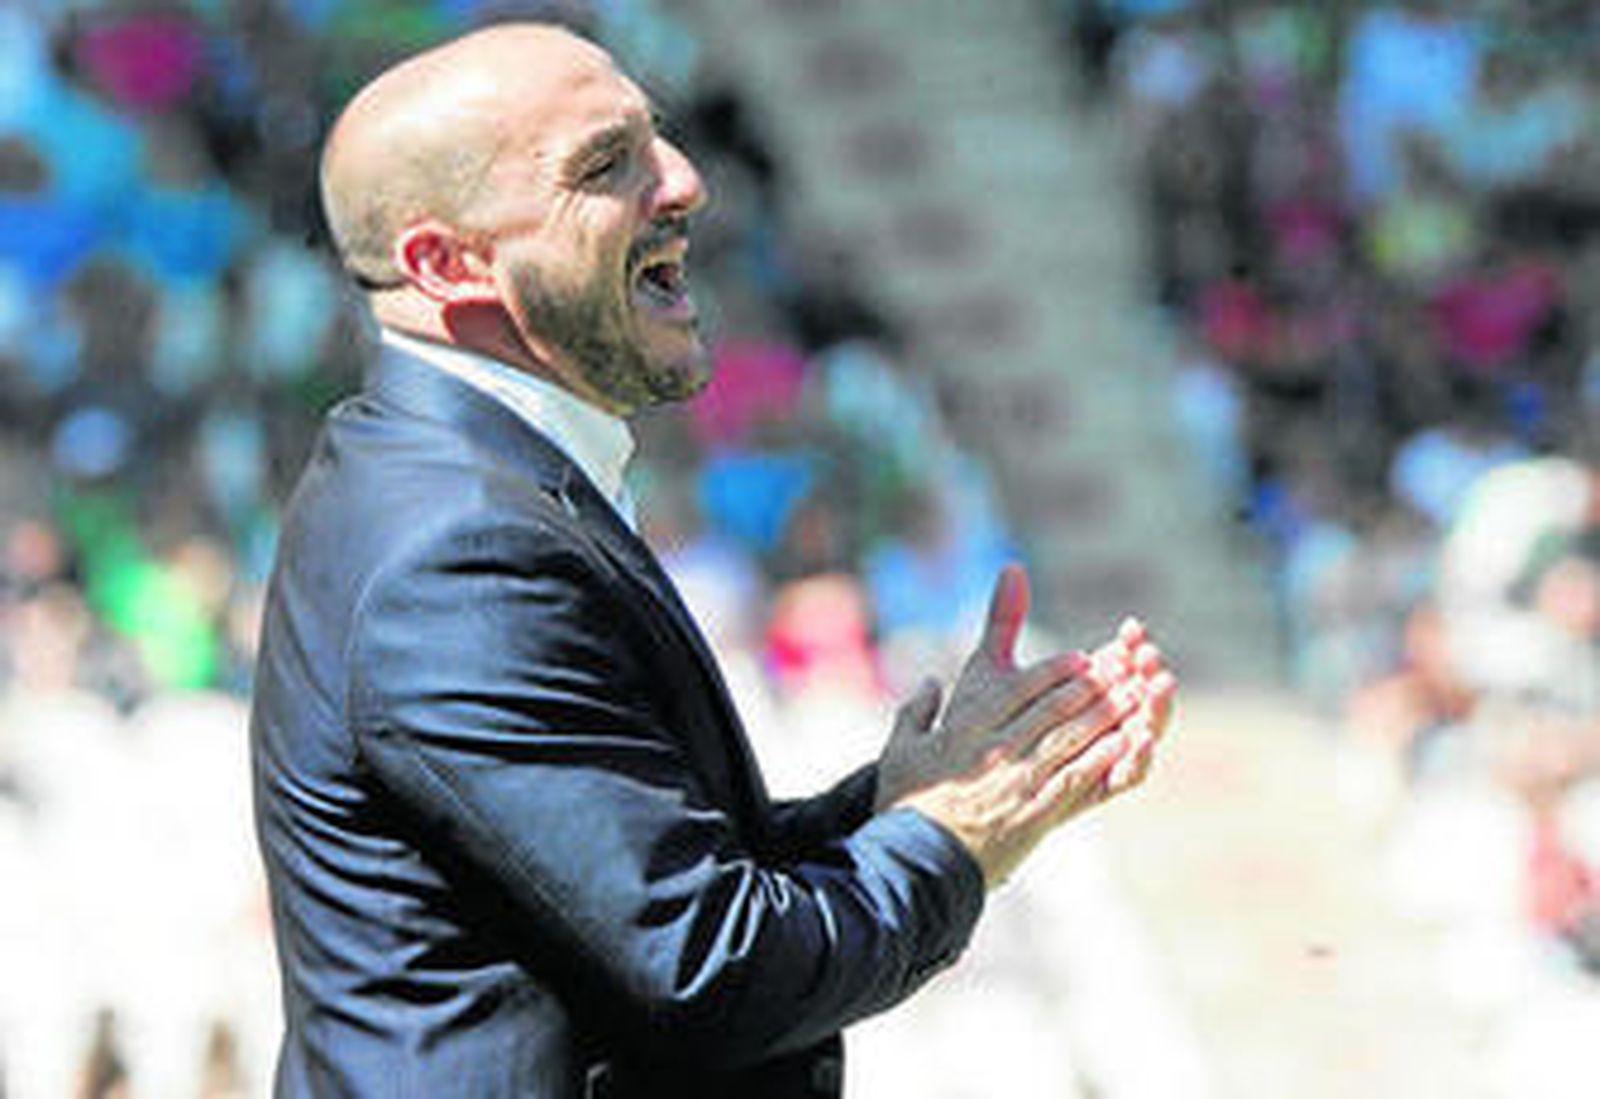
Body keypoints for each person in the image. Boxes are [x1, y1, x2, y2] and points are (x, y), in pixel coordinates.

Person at [249, 22, 1177, 1099]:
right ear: (446, 264)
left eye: (658, 138)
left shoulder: (452, 479)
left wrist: (904, 799)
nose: (683, 183)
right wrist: (952, 836)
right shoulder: (458, 555)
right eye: (605, 165)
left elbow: (648, 885)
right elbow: (711, 967)